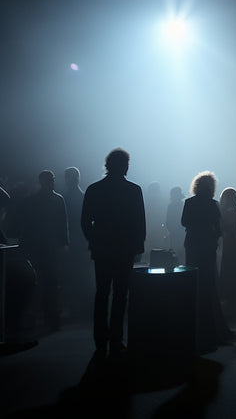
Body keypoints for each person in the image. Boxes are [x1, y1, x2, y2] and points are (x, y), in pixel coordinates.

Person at [81, 148, 146, 359]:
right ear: (125, 165)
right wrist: (138, 247)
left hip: (102, 250)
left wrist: (94, 240)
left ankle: (100, 341)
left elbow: (85, 221)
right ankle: (116, 341)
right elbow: (139, 223)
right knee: (120, 295)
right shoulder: (134, 190)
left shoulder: (94, 189)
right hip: (124, 250)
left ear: (107, 165)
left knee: (101, 294)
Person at [181, 171, 236, 353]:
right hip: (207, 248)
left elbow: (184, 222)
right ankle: (210, 325)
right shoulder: (213, 205)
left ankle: (194, 326)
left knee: (194, 283)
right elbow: (218, 229)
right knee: (208, 285)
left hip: (192, 247)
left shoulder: (189, 203)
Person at [17, 170, 69, 332]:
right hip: (51, 246)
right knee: (52, 282)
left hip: (37, 246)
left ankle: (34, 317)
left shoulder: (31, 201)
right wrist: (64, 243)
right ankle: (52, 318)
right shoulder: (58, 199)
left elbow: (25, 225)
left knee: (38, 281)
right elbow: (63, 223)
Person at [63, 167, 92, 321]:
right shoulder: (83, 196)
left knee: (72, 276)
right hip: (83, 241)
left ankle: (75, 309)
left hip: (70, 242)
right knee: (84, 276)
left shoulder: (64, 198)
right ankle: (86, 308)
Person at [218, 187, 236, 322]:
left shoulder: (230, 212)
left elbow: (227, 227)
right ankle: (235, 307)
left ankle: (232, 307)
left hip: (231, 243)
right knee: (234, 272)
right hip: (234, 243)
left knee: (230, 272)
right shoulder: (235, 211)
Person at [165, 186, 185, 263]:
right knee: (181, 254)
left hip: (175, 234)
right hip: (181, 233)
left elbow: (168, 222)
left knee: (174, 255)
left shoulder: (171, 206)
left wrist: (173, 230)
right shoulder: (183, 205)